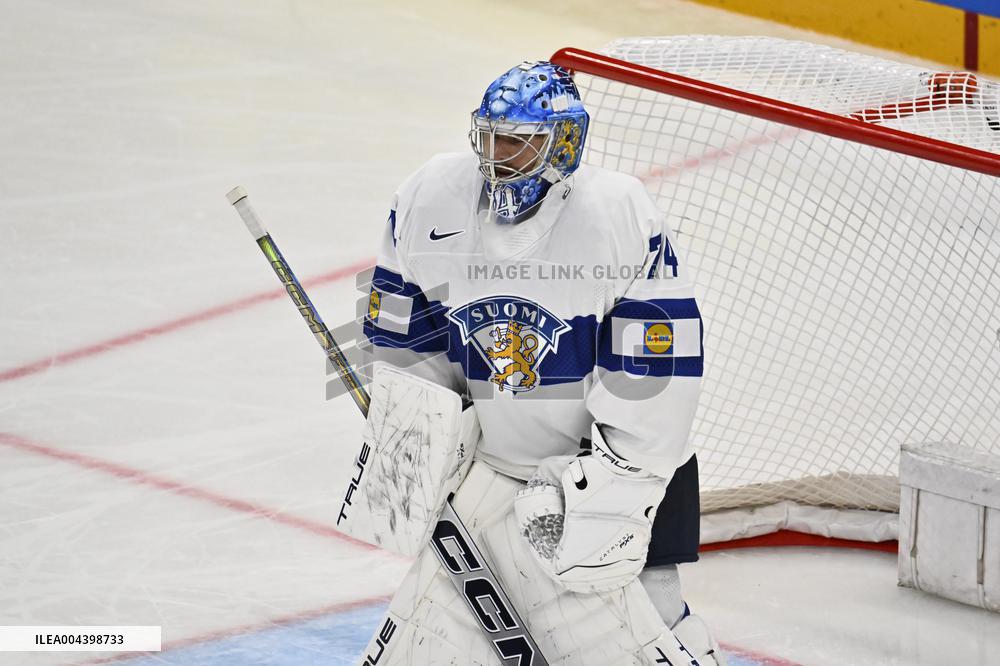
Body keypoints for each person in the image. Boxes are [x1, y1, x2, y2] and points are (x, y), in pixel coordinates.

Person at [358, 60, 724, 665]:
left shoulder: (617, 214)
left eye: (518, 145)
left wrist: (609, 492)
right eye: (490, 138)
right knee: (440, 633)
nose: (498, 159)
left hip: (617, 466)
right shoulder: (430, 198)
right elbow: (405, 339)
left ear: (564, 145)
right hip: (494, 464)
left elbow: (656, 371)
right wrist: (424, 434)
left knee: (653, 610)